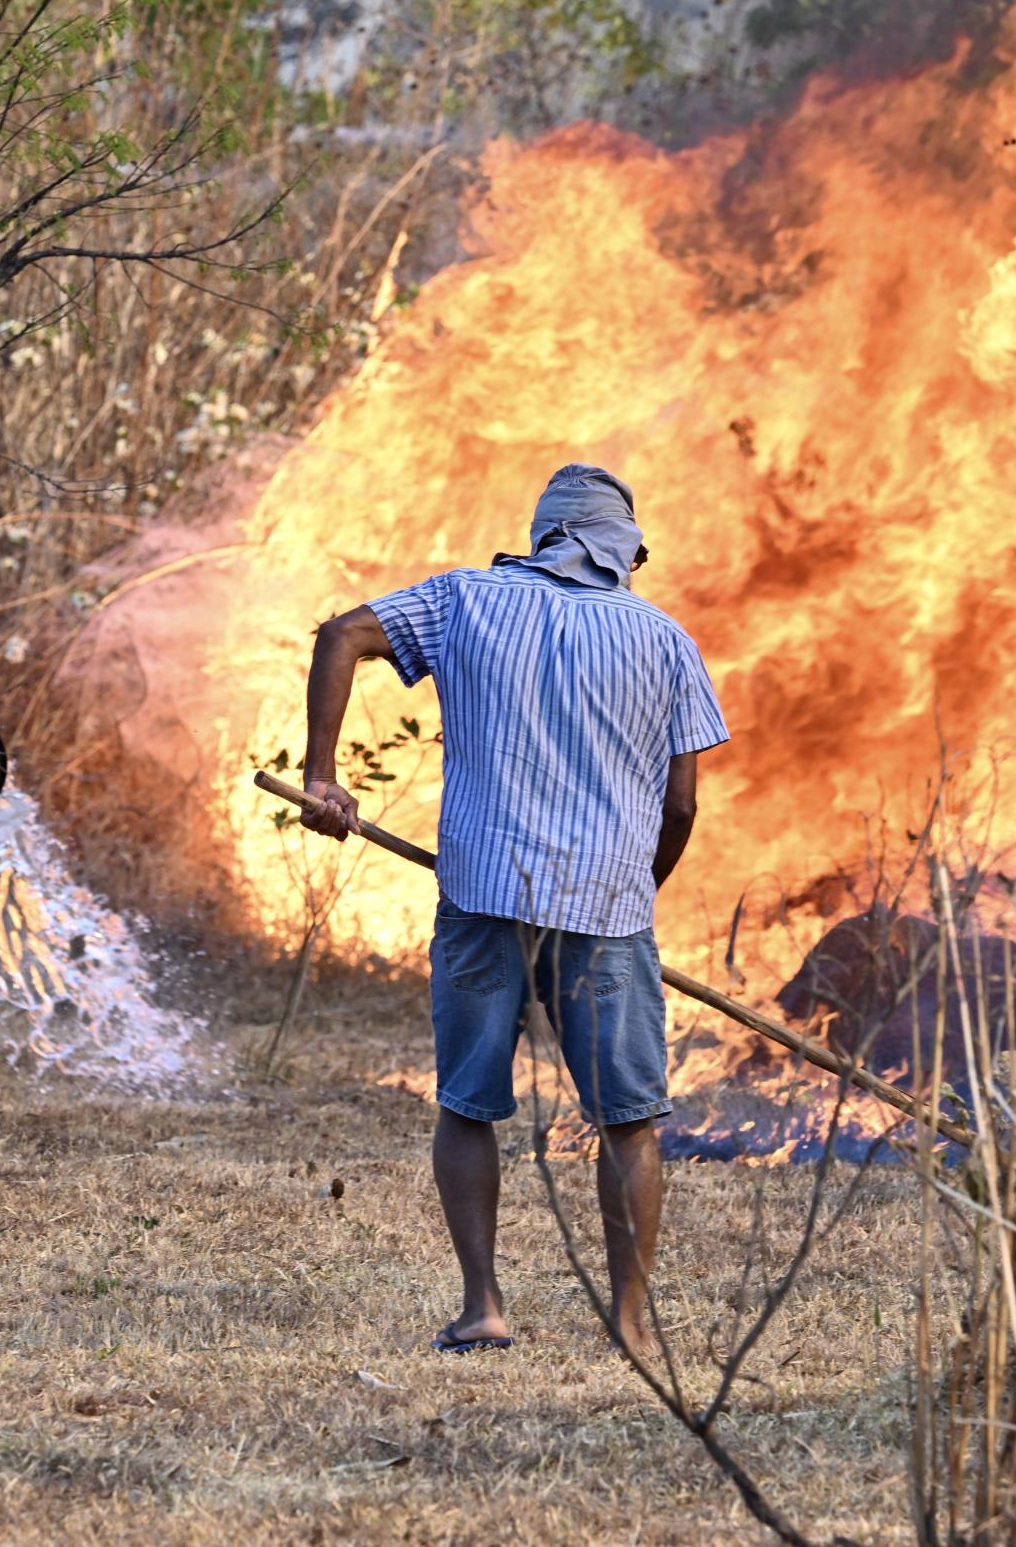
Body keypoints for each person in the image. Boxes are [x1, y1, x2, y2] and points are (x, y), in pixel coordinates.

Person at [297, 463, 727, 1360]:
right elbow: (681, 805)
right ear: (623, 550)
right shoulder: (663, 639)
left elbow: (341, 634)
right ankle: (634, 1327)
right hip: (607, 909)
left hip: (483, 893)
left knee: (468, 1104)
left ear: (540, 535)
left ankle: (483, 1306)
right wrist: (635, 890)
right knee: (628, 1120)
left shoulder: (464, 600)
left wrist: (321, 775)